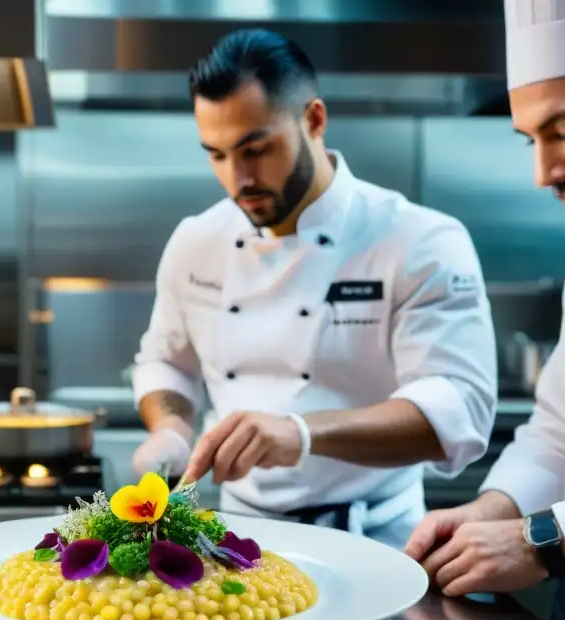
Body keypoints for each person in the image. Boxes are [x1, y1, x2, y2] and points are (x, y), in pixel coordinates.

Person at [129, 29, 498, 549]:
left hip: (376, 540)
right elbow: (166, 362)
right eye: (216, 155)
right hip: (237, 537)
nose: (238, 179)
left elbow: (458, 409)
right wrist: (169, 428)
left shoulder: (418, 239)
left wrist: (301, 434)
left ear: (315, 120)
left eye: (256, 149)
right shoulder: (197, 241)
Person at [404, 5, 565, 620]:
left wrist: (544, 540)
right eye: (530, 139)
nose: (545, 171)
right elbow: (557, 431)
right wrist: (494, 509)